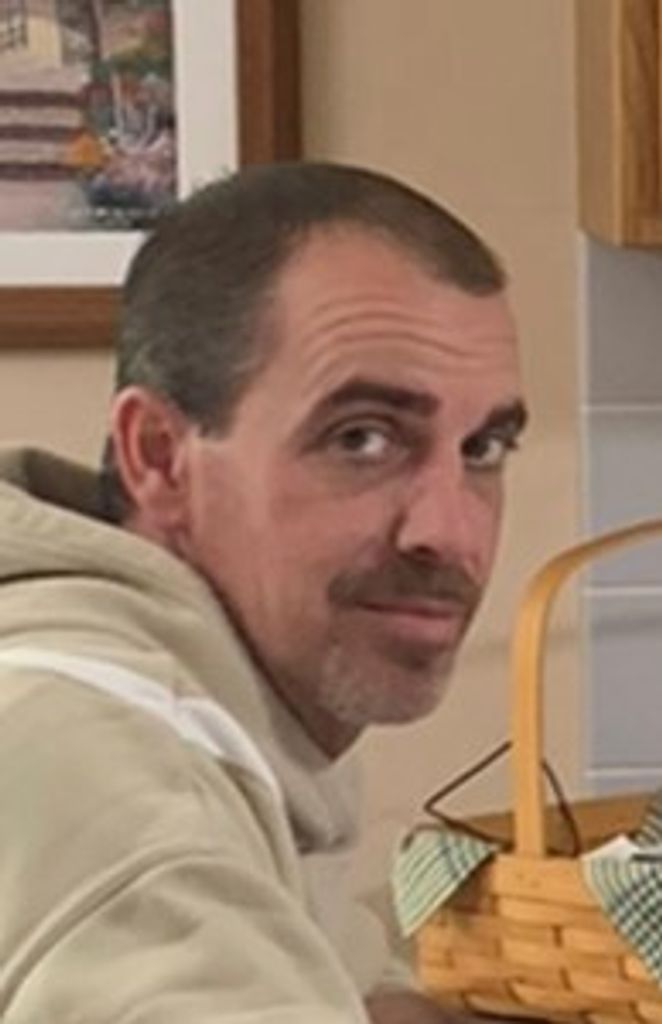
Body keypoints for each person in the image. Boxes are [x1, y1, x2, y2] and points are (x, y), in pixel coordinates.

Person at [0, 162, 526, 1022]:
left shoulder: (225, 693)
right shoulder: (109, 771)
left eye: (483, 449)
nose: (450, 531)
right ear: (159, 456)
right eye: (363, 439)